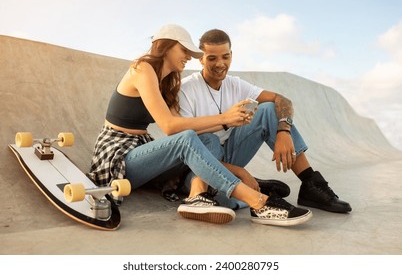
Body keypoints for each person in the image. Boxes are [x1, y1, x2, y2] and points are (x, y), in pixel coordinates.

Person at [87, 24, 312, 226]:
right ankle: (259, 202)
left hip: (142, 149)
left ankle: (200, 197)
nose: (189, 57)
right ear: (166, 46)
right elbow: (170, 126)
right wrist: (225, 119)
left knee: (206, 139)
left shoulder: (168, 82)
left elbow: (187, 128)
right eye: (184, 51)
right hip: (119, 155)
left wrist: (227, 128)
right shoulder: (142, 68)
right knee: (187, 138)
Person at [179, 28, 352, 214]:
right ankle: (254, 188)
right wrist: (240, 171)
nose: (220, 63)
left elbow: (282, 100)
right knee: (219, 194)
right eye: (212, 58)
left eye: (226, 57)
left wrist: (283, 131)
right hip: (198, 167)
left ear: (231, 55)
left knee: (269, 108)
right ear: (201, 58)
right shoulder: (187, 89)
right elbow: (187, 147)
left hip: (229, 155)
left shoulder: (235, 84)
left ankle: (310, 183)